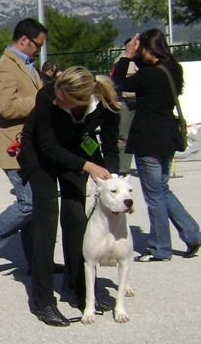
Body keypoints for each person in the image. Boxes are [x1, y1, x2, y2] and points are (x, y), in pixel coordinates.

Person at [20, 66, 120, 326]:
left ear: (82, 100)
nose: (56, 100)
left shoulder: (105, 105)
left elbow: (109, 145)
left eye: (63, 100)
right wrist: (88, 167)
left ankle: (79, 290)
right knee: (47, 220)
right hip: (40, 155)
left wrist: (113, 178)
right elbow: (48, 146)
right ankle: (43, 302)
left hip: (74, 155)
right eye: (57, 94)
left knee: (76, 217)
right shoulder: (46, 95)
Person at [113, 28, 200, 262]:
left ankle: (160, 246)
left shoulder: (148, 76)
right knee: (162, 190)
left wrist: (126, 56)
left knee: (154, 196)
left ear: (149, 50)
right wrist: (137, 56)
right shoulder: (172, 69)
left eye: (141, 49)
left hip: (148, 138)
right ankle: (192, 234)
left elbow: (118, 83)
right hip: (167, 136)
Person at [0, 18, 47, 279]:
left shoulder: (29, 67)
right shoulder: (3, 69)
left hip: (32, 144)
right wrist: (43, 97)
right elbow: (6, 108)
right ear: (24, 40)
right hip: (15, 146)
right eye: (37, 45)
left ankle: (37, 262)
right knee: (29, 203)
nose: (39, 50)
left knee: (35, 206)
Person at [110, 38, 138, 176]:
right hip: (125, 101)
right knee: (123, 136)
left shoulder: (140, 62)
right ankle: (123, 168)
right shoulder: (120, 61)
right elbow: (114, 80)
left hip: (139, 100)